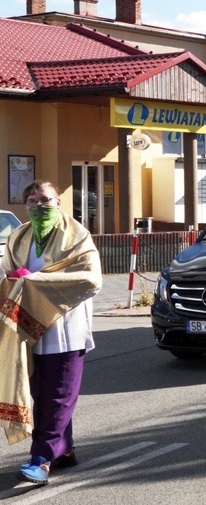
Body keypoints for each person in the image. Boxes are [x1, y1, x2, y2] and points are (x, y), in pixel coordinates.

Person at [0, 180, 102, 484]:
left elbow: (91, 279)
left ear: (58, 202)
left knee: (58, 396)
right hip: (30, 328)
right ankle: (65, 451)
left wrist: (33, 281)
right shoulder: (19, 236)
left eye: (45, 200)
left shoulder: (77, 236)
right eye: (32, 201)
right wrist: (13, 280)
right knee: (39, 393)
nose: (38, 206)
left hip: (66, 330)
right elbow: (6, 275)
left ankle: (41, 459)